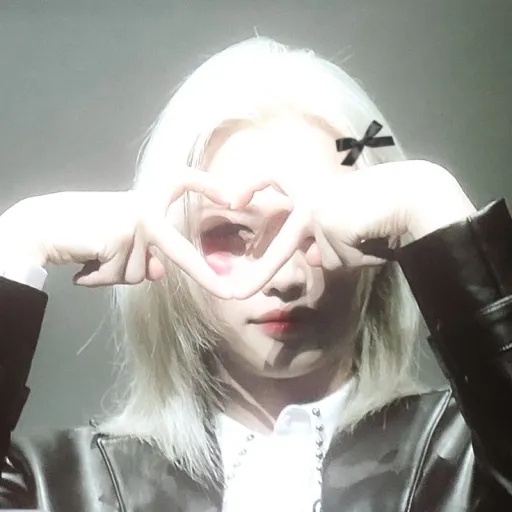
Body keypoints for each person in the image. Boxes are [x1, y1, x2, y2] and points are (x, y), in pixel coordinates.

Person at [0, 36, 510, 512]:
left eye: (314, 230)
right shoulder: (56, 485)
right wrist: (19, 241)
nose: (284, 279)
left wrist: (434, 204)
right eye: (229, 233)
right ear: (167, 249)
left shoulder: (468, 458)